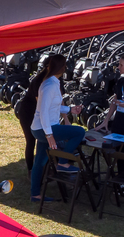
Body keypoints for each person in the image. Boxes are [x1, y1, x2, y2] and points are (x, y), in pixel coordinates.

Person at [29, 54, 84, 204]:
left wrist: (70, 109)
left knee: (39, 161)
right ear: (62, 68)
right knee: (79, 132)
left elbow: (52, 107)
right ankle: (63, 163)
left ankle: (35, 195)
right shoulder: (50, 85)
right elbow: (44, 111)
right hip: (44, 128)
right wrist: (49, 135)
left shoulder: (51, 82)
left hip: (44, 127)